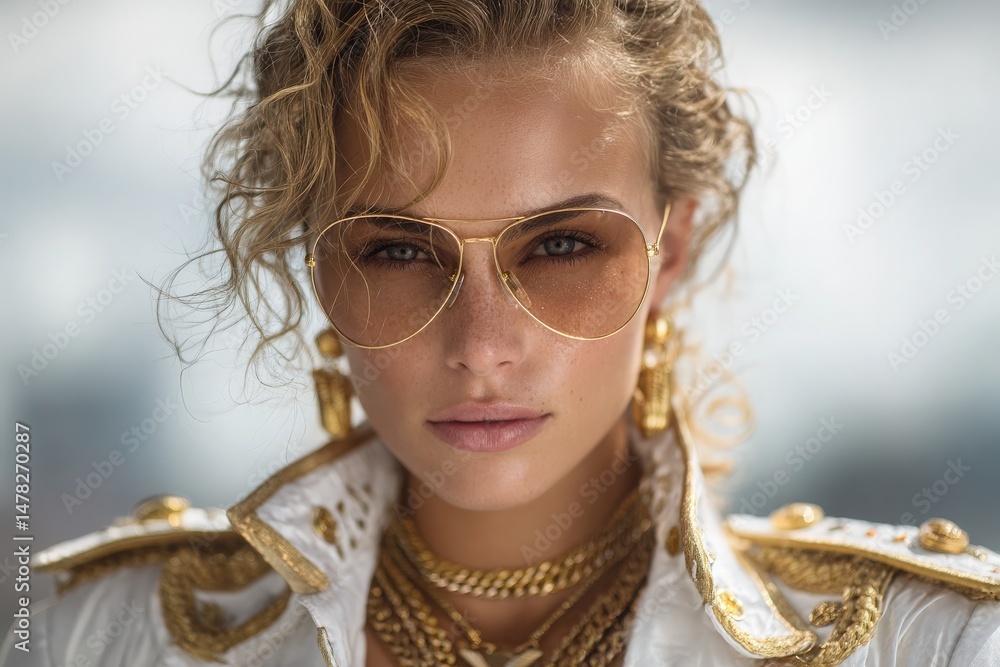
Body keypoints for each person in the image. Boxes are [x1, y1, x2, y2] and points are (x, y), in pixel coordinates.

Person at [3, 0, 999, 665]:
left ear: (674, 246)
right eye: (397, 250)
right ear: (317, 264)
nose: (481, 343)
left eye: (561, 245)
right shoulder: (87, 633)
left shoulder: (934, 645)